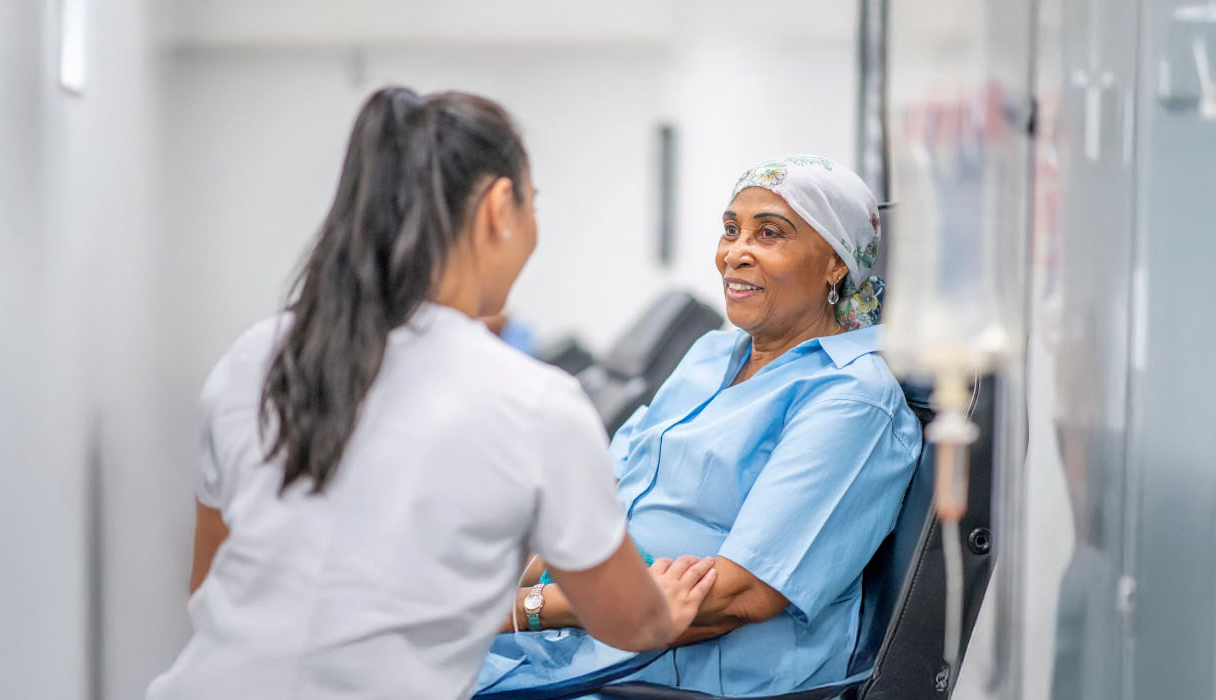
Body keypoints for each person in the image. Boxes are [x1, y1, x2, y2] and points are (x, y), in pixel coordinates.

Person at [147, 86, 717, 700]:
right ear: (501, 207)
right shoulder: (535, 403)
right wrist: (663, 607)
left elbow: (211, 585)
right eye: (534, 205)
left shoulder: (255, 356)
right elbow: (629, 620)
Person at [475, 155, 923, 697]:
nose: (736, 253)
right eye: (731, 229)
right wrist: (496, 594)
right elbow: (597, 501)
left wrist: (521, 610)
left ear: (835, 263)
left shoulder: (853, 400)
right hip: (584, 632)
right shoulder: (711, 355)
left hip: (676, 673)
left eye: (770, 234)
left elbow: (739, 596)